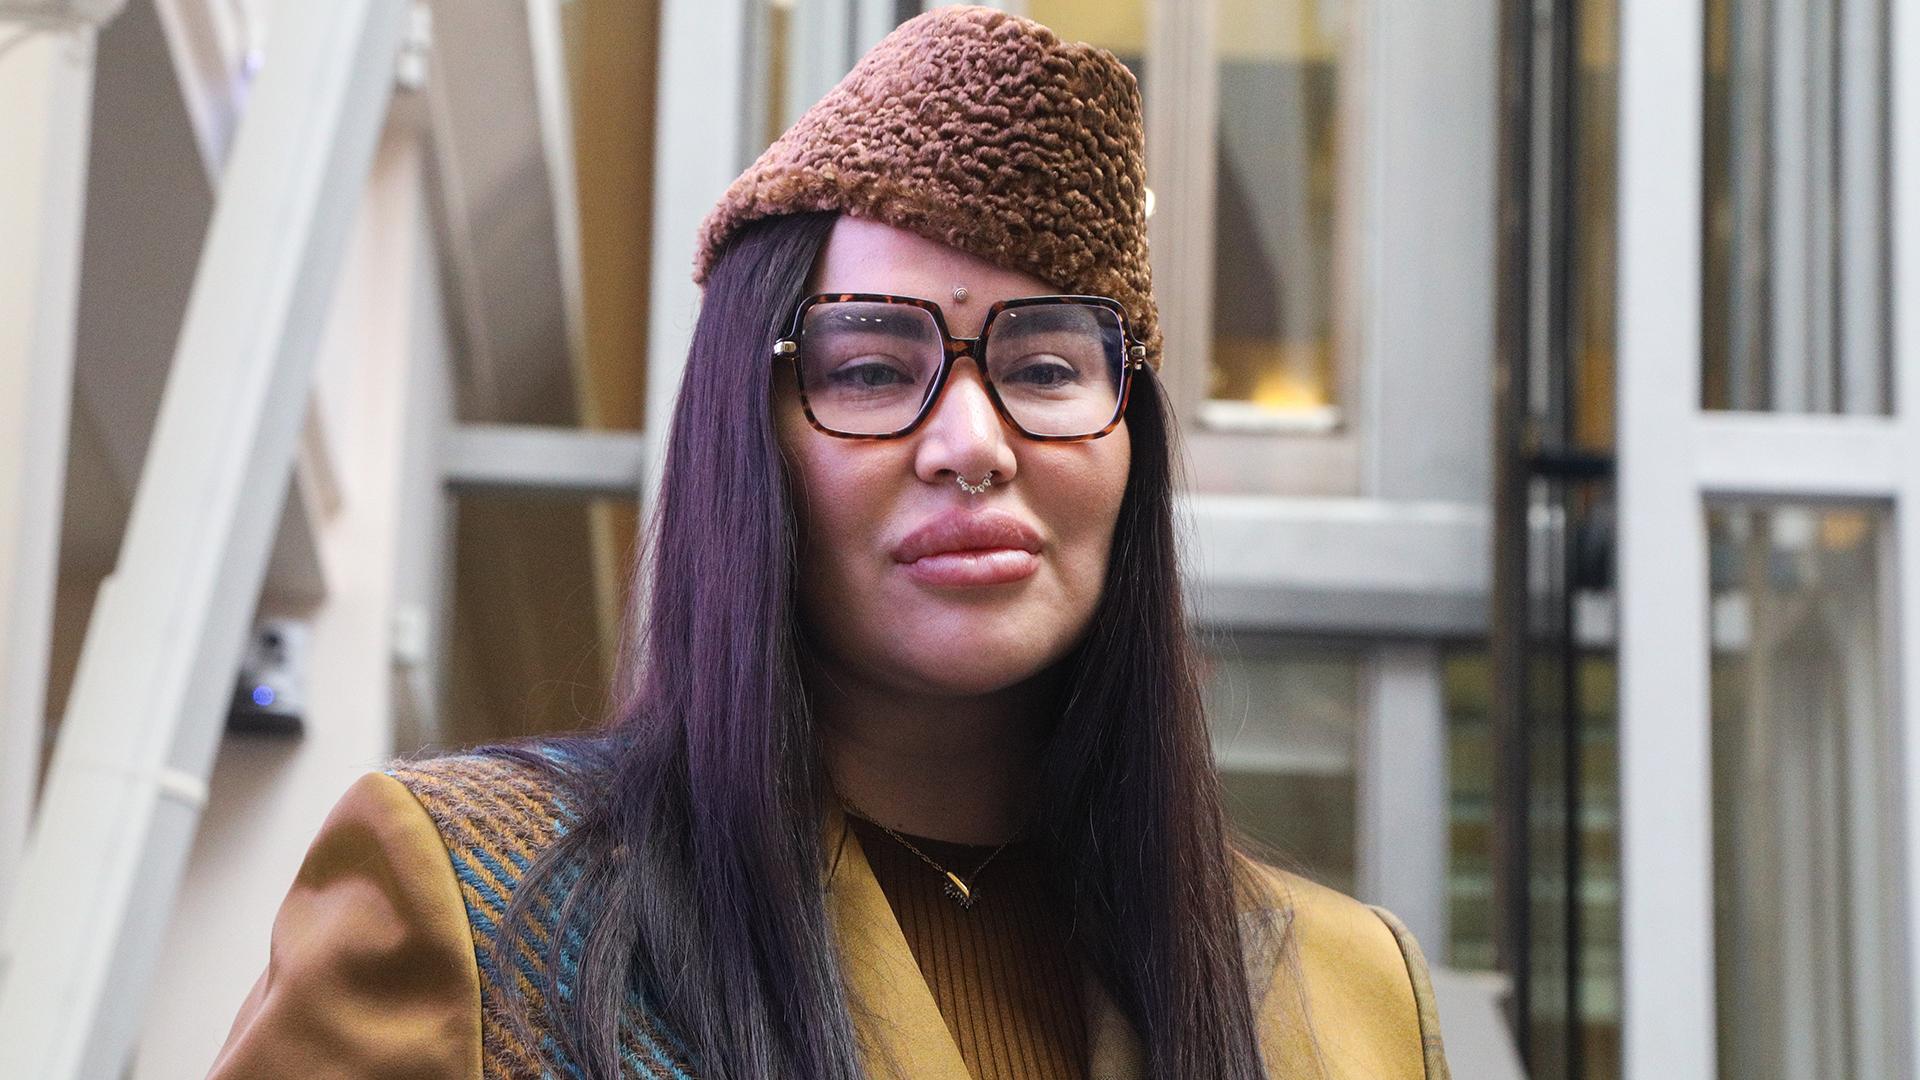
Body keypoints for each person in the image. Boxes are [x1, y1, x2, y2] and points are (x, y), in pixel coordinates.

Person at [207, 7, 1451, 1079]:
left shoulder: (1350, 1002)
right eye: (870, 370)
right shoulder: (489, 913)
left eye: (1047, 367)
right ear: (748, 438)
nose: (974, 443)